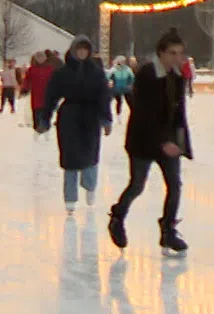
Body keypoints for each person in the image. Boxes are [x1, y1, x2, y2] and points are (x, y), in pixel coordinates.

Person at [107, 27, 193, 254]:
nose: (177, 58)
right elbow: (144, 114)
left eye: (180, 53)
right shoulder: (147, 74)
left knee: (175, 185)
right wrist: (163, 141)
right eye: (172, 53)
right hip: (143, 140)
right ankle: (117, 217)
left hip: (168, 141)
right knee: (138, 184)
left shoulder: (178, 77)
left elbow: (179, 114)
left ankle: (168, 229)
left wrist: (181, 143)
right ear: (161, 53)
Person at [43, 36, 112, 213]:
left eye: (85, 50)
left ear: (89, 52)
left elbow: (103, 95)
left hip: (90, 117)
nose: (81, 53)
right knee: (70, 158)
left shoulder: (96, 72)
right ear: (73, 51)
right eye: (78, 49)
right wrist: (45, 117)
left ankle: (90, 186)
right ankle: (70, 199)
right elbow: (51, 95)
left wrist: (106, 118)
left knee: (90, 155)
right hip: (69, 117)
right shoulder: (62, 72)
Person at [24, 51, 56, 137]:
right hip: (36, 95)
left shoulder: (50, 69)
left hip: (47, 95)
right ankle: (37, 129)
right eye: (38, 57)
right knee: (36, 112)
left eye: (42, 57)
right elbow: (27, 80)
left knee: (46, 112)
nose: (40, 59)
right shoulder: (32, 69)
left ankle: (46, 129)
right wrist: (25, 88)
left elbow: (55, 80)